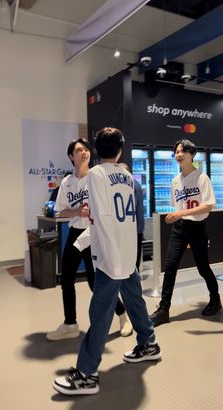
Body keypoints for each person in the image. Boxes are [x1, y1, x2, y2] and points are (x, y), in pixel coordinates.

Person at [53, 127, 161, 396]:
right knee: (135, 301)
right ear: (120, 150)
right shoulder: (126, 175)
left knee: (100, 314)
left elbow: (99, 218)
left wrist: (82, 244)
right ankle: (148, 343)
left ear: (97, 150)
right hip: (127, 252)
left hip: (109, 257)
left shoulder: (96, 176)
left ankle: (87, 374)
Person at [46, 138, 132, 341]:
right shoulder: (67, 182)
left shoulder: (97, 176)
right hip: (77, 233)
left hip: (95, 233)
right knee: (66, 279)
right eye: (79, 150)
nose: (84, 153)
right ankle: (70, 324)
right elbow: (60, 210)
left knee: (96, 283)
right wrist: (77, 211)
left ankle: (122, 315)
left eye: (86, 149)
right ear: (71, 156)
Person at [150, 139, 222, 327]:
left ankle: (215, 300)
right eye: (176, 152)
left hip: (197, 228)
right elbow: (177, 205)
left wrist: (182, 213)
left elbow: (208, 206)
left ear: (192, 154)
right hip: (179, 228)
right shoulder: (175, 180)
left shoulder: (202, 178)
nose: (179, 155)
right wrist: (180, 215)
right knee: (170, 267)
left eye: (183, 151)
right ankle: (164, 309)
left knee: (203, 267)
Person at [119, 163, 145, 271]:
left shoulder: (130, 185)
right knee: (134, 256)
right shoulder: (136, 184)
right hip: (136, 227)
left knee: (131, 257)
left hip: (132, 228)